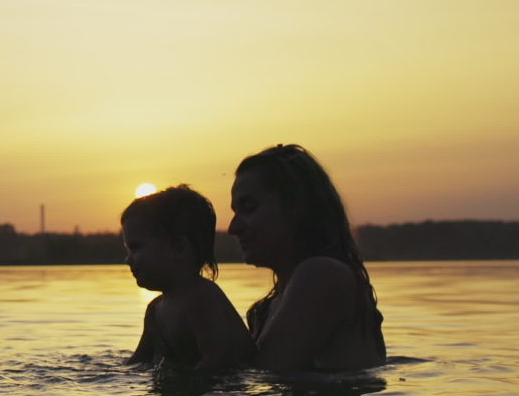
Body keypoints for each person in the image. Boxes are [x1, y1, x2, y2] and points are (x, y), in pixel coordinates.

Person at [228, 144, 387, 372]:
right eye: (235, 211)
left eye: (249, 208)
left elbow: (263, 375)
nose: (234, 228)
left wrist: (204, 303)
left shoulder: (322, 276)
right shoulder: (264, 310)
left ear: (297, 208)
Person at [123, 185, 255, 370]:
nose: (128, 260)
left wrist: (181, 376)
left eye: (136, 248)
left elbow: (220, 363)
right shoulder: (155, 310)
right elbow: (136, 364)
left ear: (178, 248)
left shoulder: (201, 299)